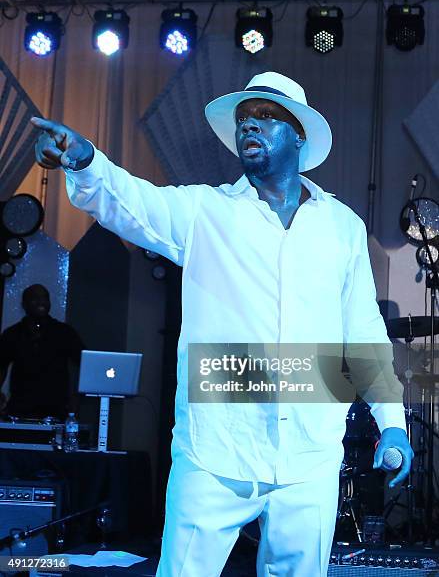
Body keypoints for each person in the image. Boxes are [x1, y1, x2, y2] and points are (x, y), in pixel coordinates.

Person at [31, 72, 413, 576]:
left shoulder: (341, 226)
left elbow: (363, 328)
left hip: (310, 450)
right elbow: (131, 202)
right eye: (243, 119)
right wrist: (85, 159)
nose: (250, 126)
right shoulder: (206, 211)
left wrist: (393, 424)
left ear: (300, 134)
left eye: (266, 117)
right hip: (216, 449)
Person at [0, 284, 84, 420]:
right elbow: (1, 365)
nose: (41, 302)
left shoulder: (64, 332)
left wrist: (76, 396)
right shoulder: (12, 333)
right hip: (20, 407)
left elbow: (83, 362)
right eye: (35, 298)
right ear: (24, 304)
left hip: (57, 407)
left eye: (45, 298)